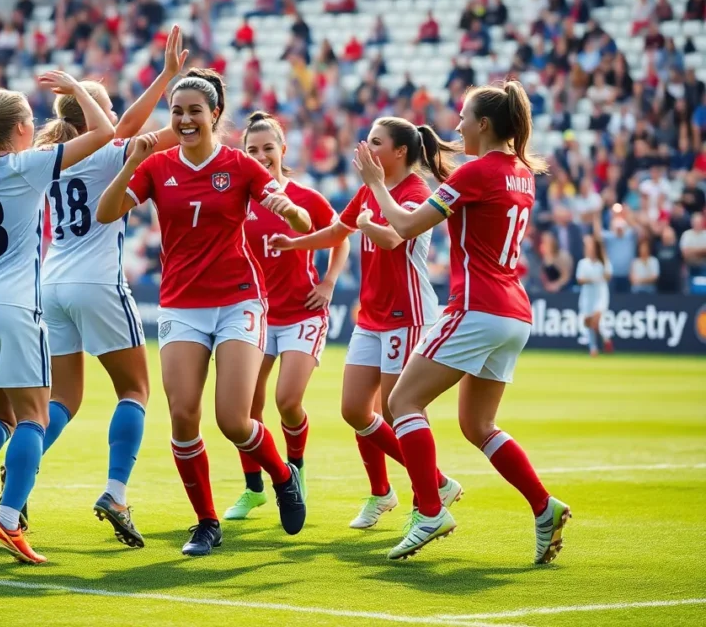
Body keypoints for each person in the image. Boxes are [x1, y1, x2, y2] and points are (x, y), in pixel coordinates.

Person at [355, 80, 570, 563]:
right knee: (478, 424)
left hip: (476, 305)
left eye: (464, 117)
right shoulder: (521, 172)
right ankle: (543, 507)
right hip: (514, 312)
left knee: (402, 401)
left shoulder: (477, 173)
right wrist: (435, 153)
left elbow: (406, 227)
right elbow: (466, 189)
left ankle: (429, 509)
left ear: (485, 124)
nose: (457, 124)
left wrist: (373, 184)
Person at [96, 69, 309, 557]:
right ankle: (206, 522)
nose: (186, 119)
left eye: (195, 111)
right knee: (182, 415)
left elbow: (299, 216)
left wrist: (290, 212)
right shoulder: (158, 166)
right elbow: (106, 213)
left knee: (234, 420)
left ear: (215, 115)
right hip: (181, 304)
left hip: (238, 299)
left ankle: (281, 477)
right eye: (177, 111)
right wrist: (132, 164)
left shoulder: (240, 165)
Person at [0, 76, 114, 564]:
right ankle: (9, 518)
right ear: (20, 128)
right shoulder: (28, 166)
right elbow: (103, 133)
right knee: (34, 419)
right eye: (32, 123)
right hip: (14, 306)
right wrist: (79, 88)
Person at [269, 117, 464, 529]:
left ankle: (425, 501)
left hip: (407, 315)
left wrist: (369, 209)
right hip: (371, 315)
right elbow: (334, 232)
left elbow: (394, 237)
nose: (366, 147)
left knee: (398, 413)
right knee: (356, 410)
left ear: (399, 152)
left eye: (376, 141)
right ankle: (428, 484)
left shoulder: (416, 192)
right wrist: (295, 242)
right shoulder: (367, 191)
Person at [37, 26, 187, 548]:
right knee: (134, 390)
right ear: (92, 115)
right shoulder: (108, 152)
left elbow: (128, 126)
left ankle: (19, 477)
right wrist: (174, 85)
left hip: (49, 283)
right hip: (96, 279)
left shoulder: (49, 159)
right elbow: (161, 131)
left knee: (62, 399)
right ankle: (117, 491)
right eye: (104, 102)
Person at [221, 111, 350, 520]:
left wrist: (328, 283)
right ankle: (254, 488)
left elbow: (339, 237)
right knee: (245, 409)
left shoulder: (307, 198)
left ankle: (295, 471)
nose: (261, 156)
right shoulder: (237, 202)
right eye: (252, 150)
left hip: (301, 314)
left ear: (283, 150)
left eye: (268, 148)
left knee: (287, 400)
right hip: (255, 317)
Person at [576, 232, 613, 356]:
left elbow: (608, 276)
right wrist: (592, 279)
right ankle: (593, 348)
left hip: (600, 294)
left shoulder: (603, 262)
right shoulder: (583, 263)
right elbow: (580, 279)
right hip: (587, 296)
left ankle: (606, 339)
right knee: (588, 321)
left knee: (596, 320)